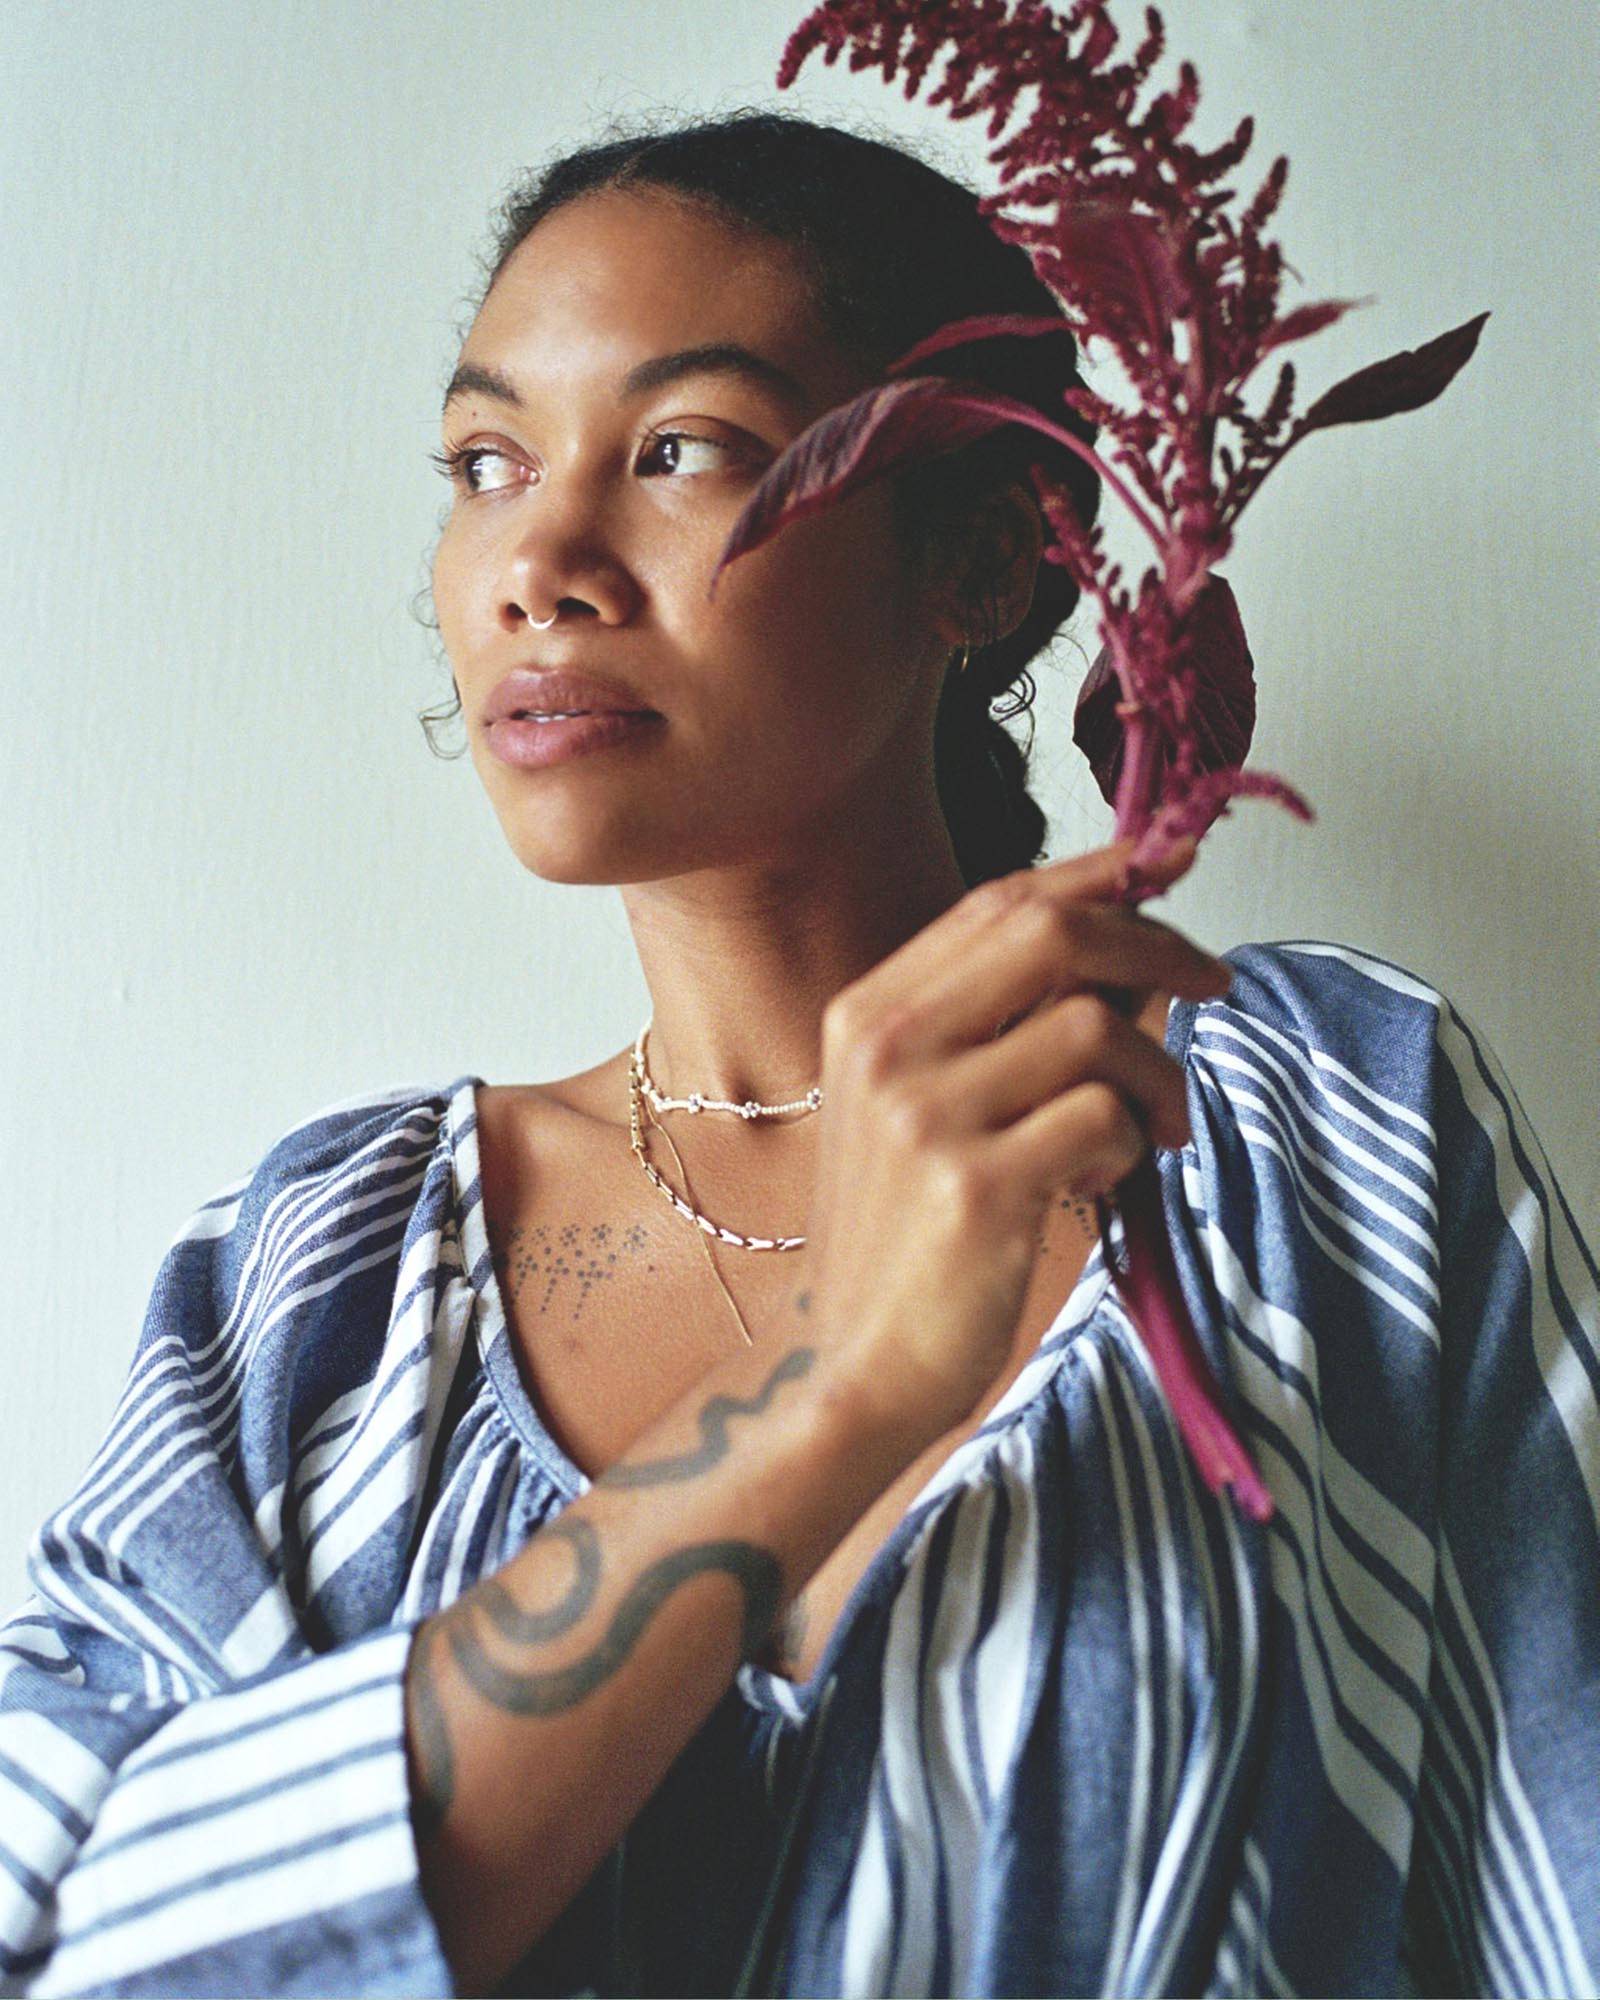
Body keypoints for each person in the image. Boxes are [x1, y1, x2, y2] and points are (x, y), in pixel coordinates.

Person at [1, 110, 1595, 2000]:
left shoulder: (1325, 1130)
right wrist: (826, 1407)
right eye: (485, 461)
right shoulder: (321, 1286)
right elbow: (72, 1945)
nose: (542, 558)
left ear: (990, 560)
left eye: (687, 449)